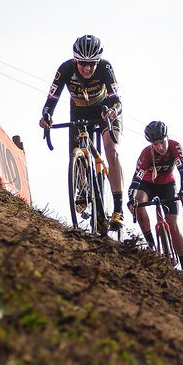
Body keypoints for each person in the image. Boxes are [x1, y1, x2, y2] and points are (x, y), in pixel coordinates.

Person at [39, 34, 126, 229]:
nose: (87, 68)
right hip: (78, 110)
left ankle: (118, 209)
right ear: (75, 60)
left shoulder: (105, 68)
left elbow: (116, 99)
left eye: (92, 64)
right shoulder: (66, 69)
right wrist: (46, 116)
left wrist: (113, 112)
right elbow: (51, 98)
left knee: (111, 149)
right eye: (82, 63)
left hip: (105, 111)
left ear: (98, 61)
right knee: (75, 153)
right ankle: (83, 188)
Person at [127, 120, 183, 275]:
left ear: (167, 137)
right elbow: (135, 181)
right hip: (147, 185)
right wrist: (131, 200)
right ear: (151, 144)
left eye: (162, 142)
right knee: (139, 202)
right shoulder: (146, 154)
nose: (160, 147)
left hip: (167, 185)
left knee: (172, 224)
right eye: (155, 144)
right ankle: (151, 246)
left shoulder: (175, 147)